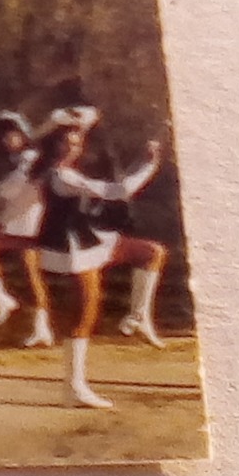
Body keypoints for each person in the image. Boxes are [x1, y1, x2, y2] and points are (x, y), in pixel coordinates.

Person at [32, 107, 166, 408]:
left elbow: (85, 117)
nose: (74, 147)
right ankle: (74, 388)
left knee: (150, 252)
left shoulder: (55, 170)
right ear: (54, 145)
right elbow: (120, 191)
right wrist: (149, 165)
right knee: (85, 316)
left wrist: (80, 123)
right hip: (73, 248)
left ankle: (139, 315)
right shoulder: (61, 176)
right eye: (66, 142)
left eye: (77, 142)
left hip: (86, 238)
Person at [0, 112, 56, 347]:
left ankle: (8, 303)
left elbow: (13, 188)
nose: (8, 141)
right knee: (28, 271)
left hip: (29, 221)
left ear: (23, 135)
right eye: (4, 137)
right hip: (17, 219)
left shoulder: (31, 157)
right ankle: (39, 325)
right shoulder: (17, 160)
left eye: (13, 135)